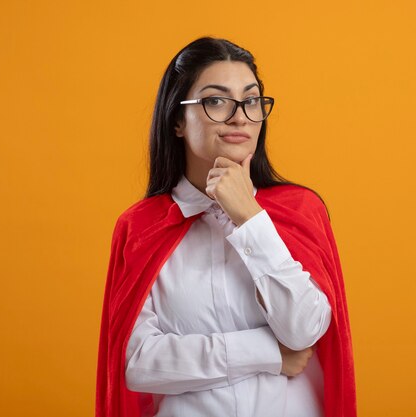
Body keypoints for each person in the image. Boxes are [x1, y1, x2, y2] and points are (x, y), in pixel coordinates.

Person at [96, 37, 356, 417]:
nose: (239, 117)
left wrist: (250, 219)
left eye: (251, 101)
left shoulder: (300, 211)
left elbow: (303, 329)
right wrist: (267, 353)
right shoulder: (142, 228)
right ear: (177, 120)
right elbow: (138, 363)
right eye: (216, 100)